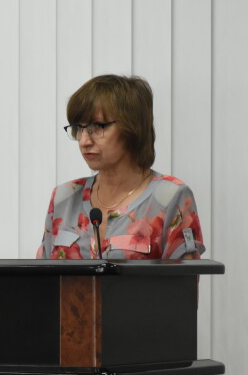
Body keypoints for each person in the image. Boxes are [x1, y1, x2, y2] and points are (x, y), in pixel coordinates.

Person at [37, 74, 205, 260]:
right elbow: (41, 275)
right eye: (79, 128)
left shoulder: (171, 198)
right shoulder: (64, 197)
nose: (84, 141)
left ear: (131, 128)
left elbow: (184, 278)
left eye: (97, 127)